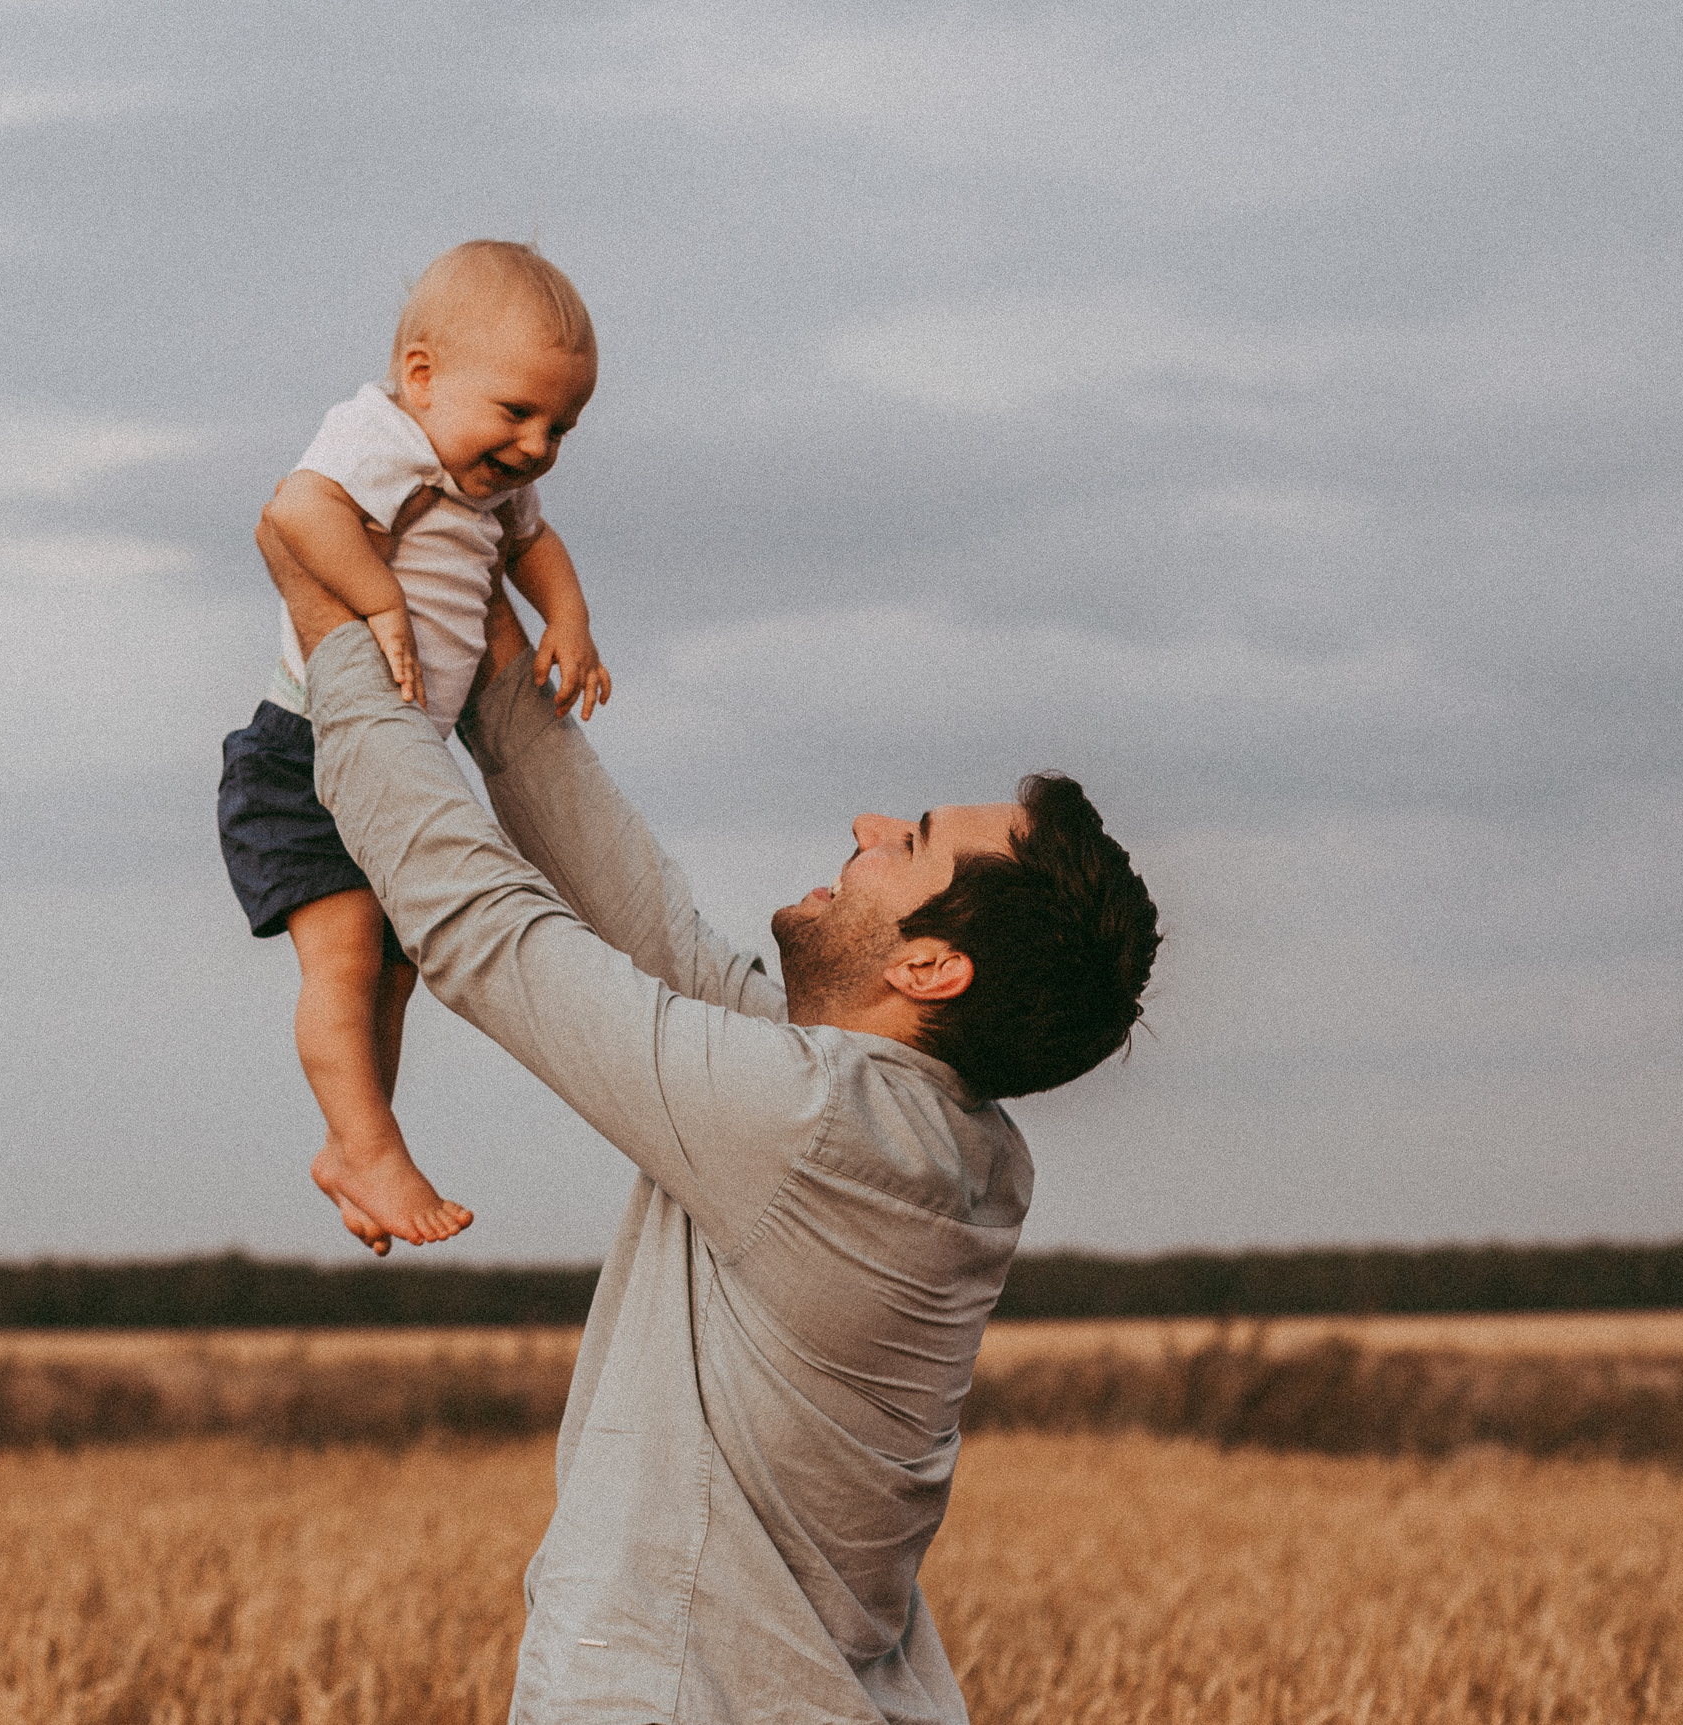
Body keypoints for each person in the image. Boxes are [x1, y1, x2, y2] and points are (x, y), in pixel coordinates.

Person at [260, 527, 1162, 1723]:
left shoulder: (816, 1126)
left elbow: (481, 928)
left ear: (929, 967)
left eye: (912, 843)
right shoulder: (949, 1144)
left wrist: (336, 633)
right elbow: (653, 931)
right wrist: (466, 592)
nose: (868, 825)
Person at [217, 240, 610, 1252]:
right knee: (346, 959)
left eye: (560, 426)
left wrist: (567, 619)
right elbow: (297, 509)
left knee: (397, 973)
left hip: (397, 767)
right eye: (516, 412)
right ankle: (366, 1144)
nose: (536, 445)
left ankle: (358, 1141)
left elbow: (534, 545)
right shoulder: (383, 435)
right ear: (423, 376)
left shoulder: (489, 487)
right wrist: (379, 599)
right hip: (306, 756)